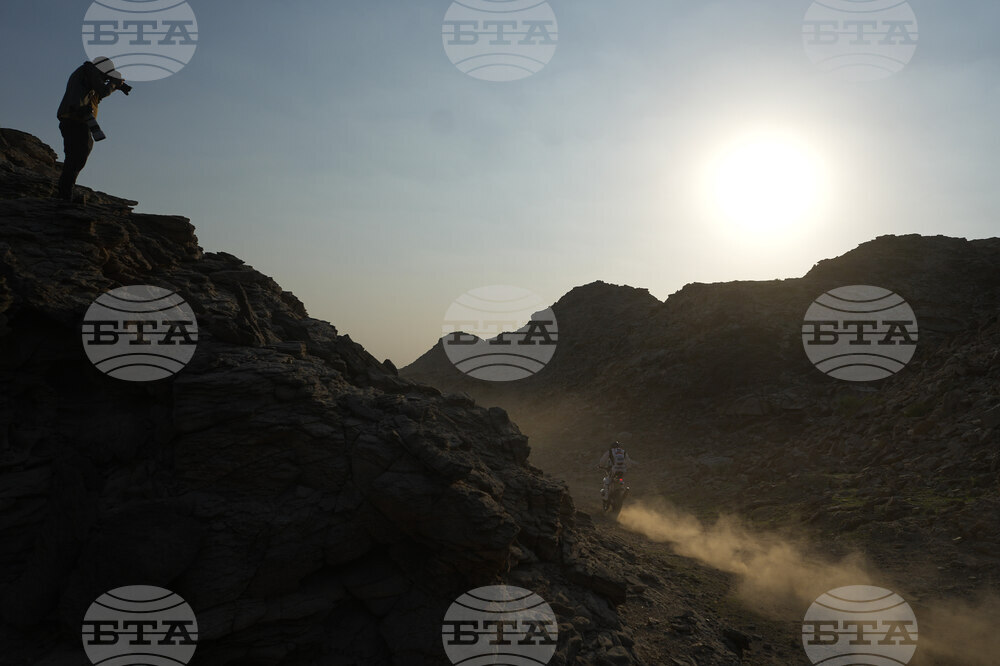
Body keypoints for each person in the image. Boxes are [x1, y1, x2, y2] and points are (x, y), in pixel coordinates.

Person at [55, 57, 129, 203]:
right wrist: (113, 83)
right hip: (74, 118)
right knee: (76, 156)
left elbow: (96, 97)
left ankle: (65, 193)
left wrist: (113, 85)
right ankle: (64, 195)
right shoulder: (89, 71)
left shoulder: (87, 73)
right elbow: (102, 90)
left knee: (78, 156)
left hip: (76, 119)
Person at [598, 441, 636, 510]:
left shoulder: (610, 451)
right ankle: (623, 493)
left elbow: (603, 460)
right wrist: (627, 468)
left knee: (608, 481)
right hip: (622, 471)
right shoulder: (623, 452)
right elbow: (629, 463)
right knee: (621, 481)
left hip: (614, 470)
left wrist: (600, 465)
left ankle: (606, 497)